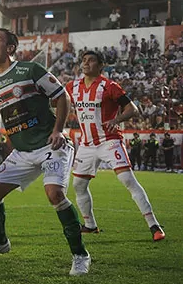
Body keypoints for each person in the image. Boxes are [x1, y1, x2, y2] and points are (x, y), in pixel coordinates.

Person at [0, 28, 89, 275]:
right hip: (22, 152)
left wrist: (58, 130)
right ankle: (0, 243)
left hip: (50, 146)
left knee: (55, 195)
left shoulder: (30, 70)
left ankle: (80, 255)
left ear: (10, 48)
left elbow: (62, 97)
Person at [66, 50, 165, 241]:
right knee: (79, 184)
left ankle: (154, 225)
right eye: (84, 60)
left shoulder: (109, 86)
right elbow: (59, 101)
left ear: (101, 65)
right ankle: (90, 225)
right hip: (87, 144)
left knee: (128, 180)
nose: (86, 63)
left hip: (109, 141)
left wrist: (117, 119)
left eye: (91, 60)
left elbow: (132, 109)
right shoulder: (73, 86)